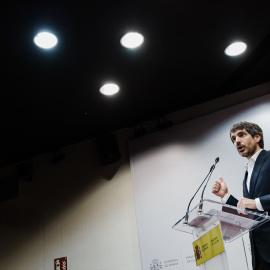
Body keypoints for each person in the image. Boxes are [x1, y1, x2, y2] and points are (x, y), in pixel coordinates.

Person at [212, 121, 270, 270]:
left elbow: (253, 204)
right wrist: (225, 196)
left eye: (241, 135)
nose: (236, 141)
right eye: (233, 139)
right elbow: (249, 212)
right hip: (260, 253)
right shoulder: (247, 173)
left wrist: (255, 202)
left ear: (257, 137)